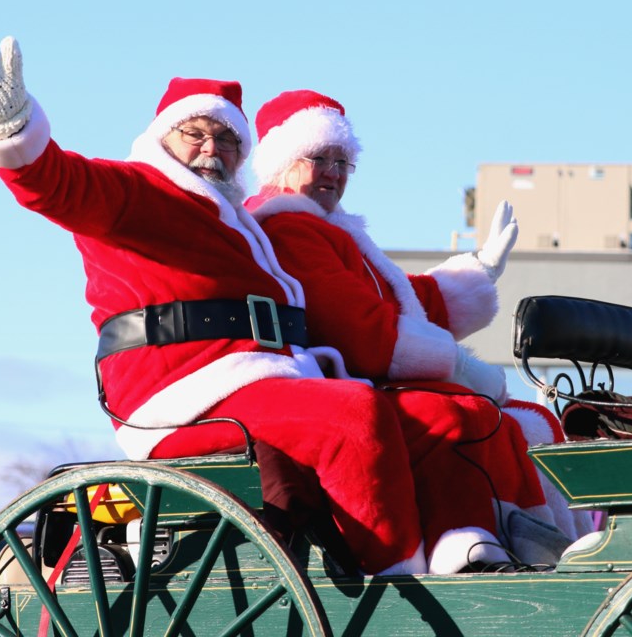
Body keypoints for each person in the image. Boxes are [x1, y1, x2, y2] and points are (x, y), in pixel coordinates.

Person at [0, 32, 442, 575]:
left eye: (228, 140)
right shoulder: (138, 193)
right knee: (352, 416)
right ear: (163, 138)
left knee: (432, 417)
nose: (212, 148)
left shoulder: (239, 222)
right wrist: (11, 128)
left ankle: (472, 551)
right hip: (181, 394)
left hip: (258, 382)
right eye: (196, 132)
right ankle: (399, 583)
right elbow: (58, 184)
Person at [245, 89, 594, 568]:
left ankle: (525, 538)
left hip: (365, 379)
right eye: (318, 158)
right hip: (336, 384)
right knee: (460, 415)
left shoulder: (332, 231)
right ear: (281, 163)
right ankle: (463, 540)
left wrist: (479, 271)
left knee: (526, 418)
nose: (332, 173)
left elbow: (399, 301)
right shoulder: (289, 229)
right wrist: (456, 363)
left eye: (343, 162)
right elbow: (357, 331)